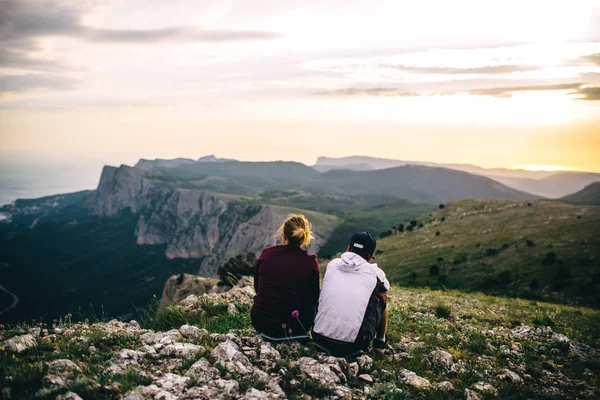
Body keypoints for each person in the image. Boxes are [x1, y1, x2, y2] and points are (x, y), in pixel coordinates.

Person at [312, 231, 390, 357]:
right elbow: (385, 288)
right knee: (382, 298)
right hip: (353, 345)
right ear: (371, 256)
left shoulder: (332, 265)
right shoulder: (375, 273)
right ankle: (380, 343)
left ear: (348, 248)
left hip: (318, 338)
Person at [251, 214, 320, 340]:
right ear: (304, 238)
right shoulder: (311, 262)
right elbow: (314, 298)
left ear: (283, 236)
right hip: (298, 327)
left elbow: (258, 288)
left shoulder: (266, 255)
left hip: (263, 324)